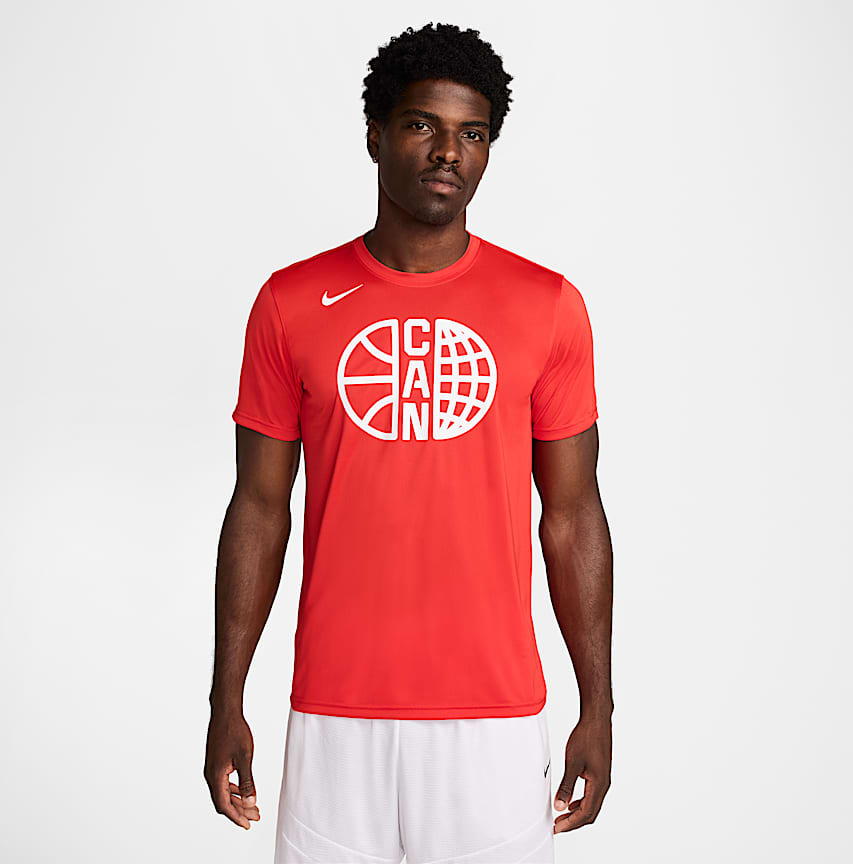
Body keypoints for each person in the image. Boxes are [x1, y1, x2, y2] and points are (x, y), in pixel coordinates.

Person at [204, 21, 613, 864]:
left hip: (495, 716)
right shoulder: (289, 303)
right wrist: (226, 697)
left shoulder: (547, 306)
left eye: (473, 134)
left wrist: (598, 706)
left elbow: (572, 516)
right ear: (375, 135)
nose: (448, 152)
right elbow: (259, 508)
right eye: (423, 125)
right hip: (335, 710)